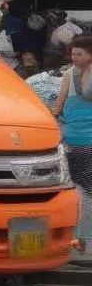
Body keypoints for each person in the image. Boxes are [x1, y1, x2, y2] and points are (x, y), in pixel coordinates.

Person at [52, 35, 92, 253]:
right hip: (73, 139)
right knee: (78, 189)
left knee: (80, 188)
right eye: (73, 54)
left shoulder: (70, 74)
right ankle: (78, 236)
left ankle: (79, 235)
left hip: (82, 140)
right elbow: (60, 103)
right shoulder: (68, 74)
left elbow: (58, 106)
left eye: (79, 54)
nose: (74, 57)